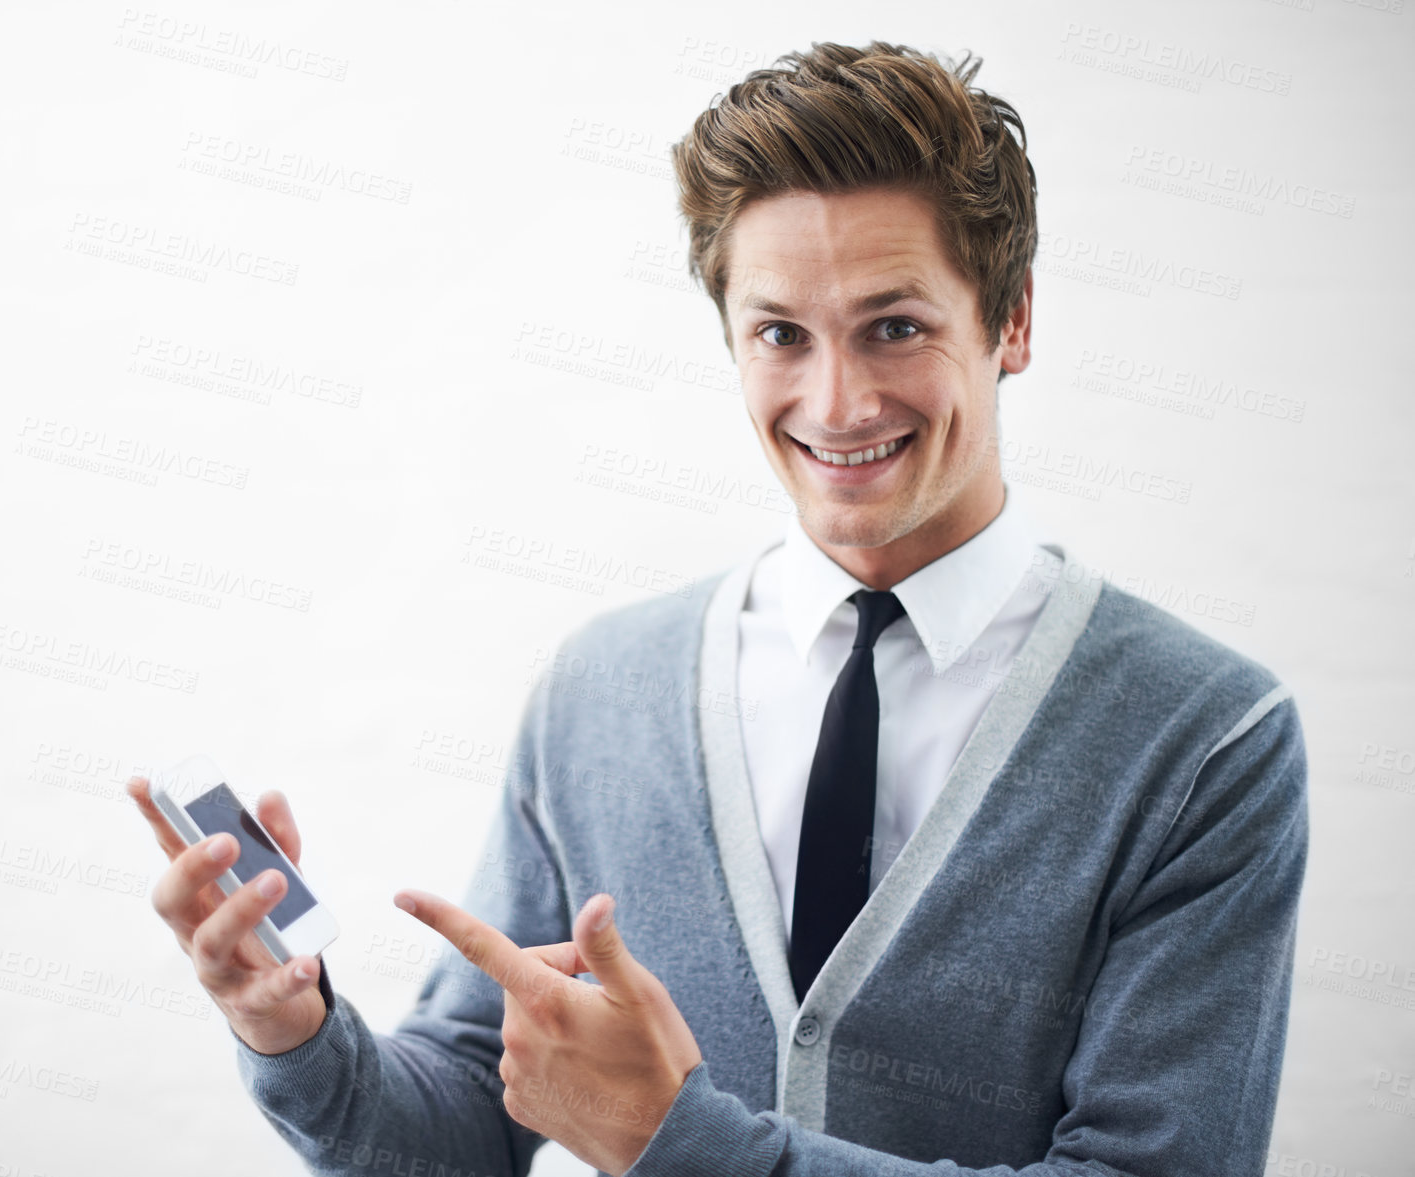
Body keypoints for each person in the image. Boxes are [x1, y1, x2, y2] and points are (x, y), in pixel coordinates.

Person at [128, 40, 1308, 1177]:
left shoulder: (1205, 737)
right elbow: (459, 1134)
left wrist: (676, 1145)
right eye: (780, 335)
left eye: (894, 326)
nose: (836, 401)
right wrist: (293, 1034)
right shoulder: (604, 688)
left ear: (1012, 321)